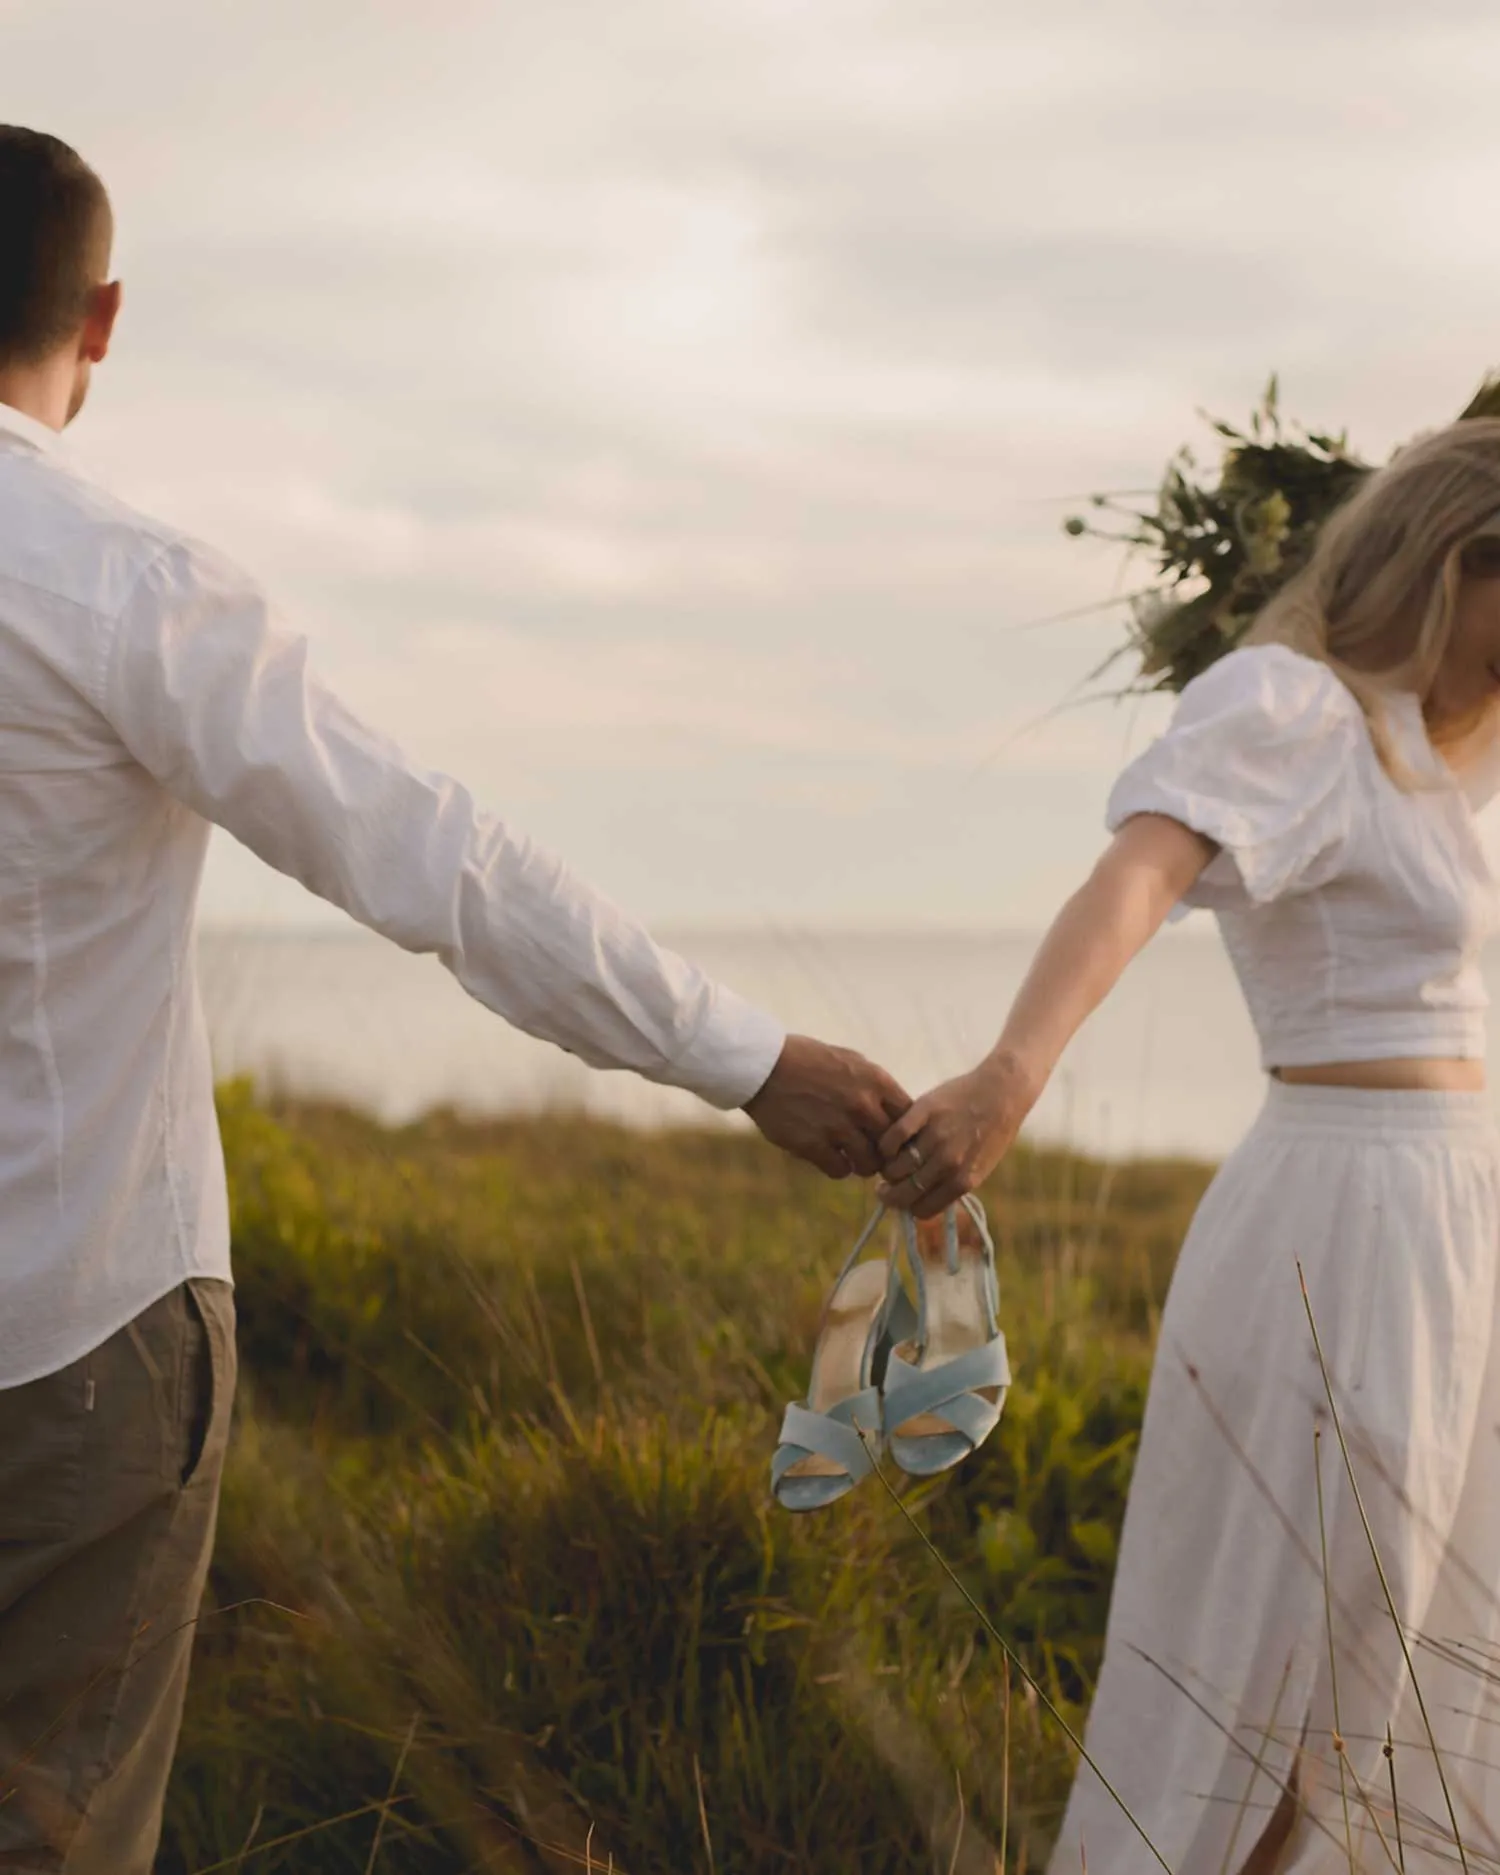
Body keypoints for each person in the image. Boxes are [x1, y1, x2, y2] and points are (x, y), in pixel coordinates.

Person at [0, 127, 908, 1873]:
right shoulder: (127, 585)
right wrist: (746, 1054)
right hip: (79, 1342)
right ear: (101, 320)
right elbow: (443, 863)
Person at [879, 421, 1500, 1870]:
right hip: (1348, 1206)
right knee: (1310, 1635)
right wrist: (1011, 1072)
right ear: (1454, 564)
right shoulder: (1296, 709)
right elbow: (1137, 875)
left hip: (1470, 1205)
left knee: (1442, 1639)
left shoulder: (1462, 764)